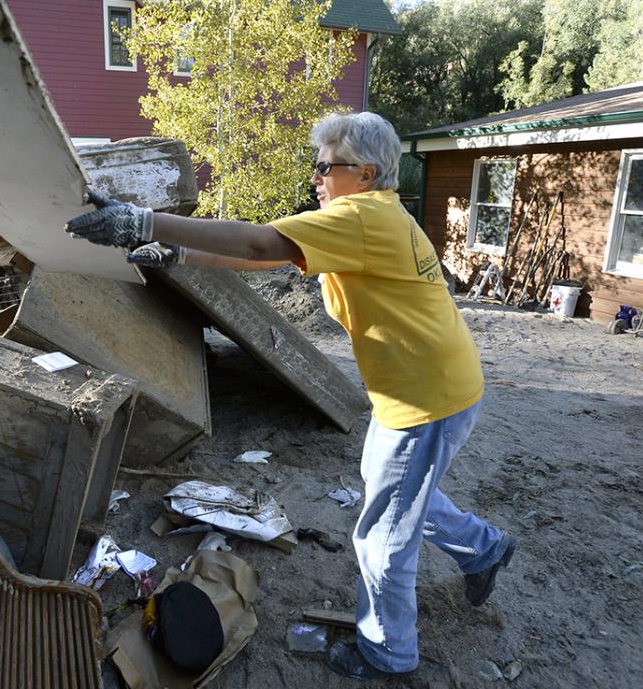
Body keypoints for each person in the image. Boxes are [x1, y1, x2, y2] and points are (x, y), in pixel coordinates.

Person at [65, 111, 515, 679]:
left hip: (427, 401)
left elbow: (259, 240)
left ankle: (389, 651)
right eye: (317, 166)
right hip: (422, 391)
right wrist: (181, 255)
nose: (316, 177)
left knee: (380, 538)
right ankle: (486, 546)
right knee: (393, 494)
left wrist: (146, 222)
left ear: (366, 172)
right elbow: (273, 252)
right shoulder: (367, 217)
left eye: (326, 167)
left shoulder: (362, 217)